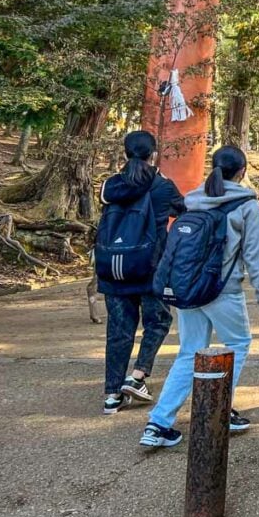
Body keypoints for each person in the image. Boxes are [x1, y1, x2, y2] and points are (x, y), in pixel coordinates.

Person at [139, 145, 259, 448]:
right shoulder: (245, 205)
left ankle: (158, 424)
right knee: (238, 344)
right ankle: (219, 410)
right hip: (221, 290)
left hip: (188, 287)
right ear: (242, 171)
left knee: (189, 352)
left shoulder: (194, 200)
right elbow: (255, 256)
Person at [98, 131, 185, 415]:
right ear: (154, 154)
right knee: (158, 321)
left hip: (114, 268)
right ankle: (137, 376)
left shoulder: (110, 186)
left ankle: (112, 395)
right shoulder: (162, 186)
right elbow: (183, 212)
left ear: (125, 154)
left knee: (118, 331)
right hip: (150, 267)